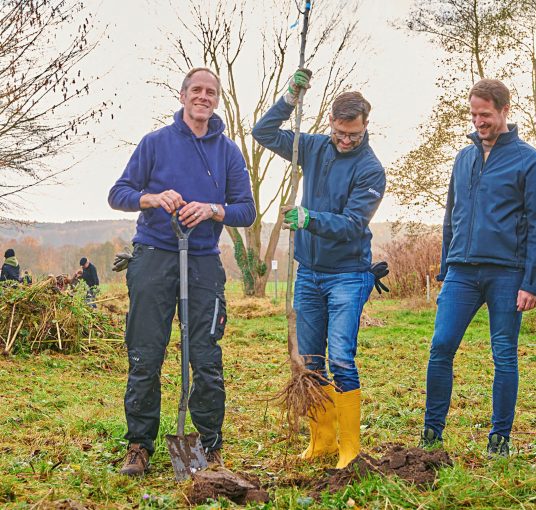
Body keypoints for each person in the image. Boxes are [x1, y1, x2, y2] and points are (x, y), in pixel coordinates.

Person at [108, 67, 255, 477]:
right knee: (144, 354)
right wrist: (152, 198)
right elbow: (118, 193)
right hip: (154, 256)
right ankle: (139, 445)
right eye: (196, 90)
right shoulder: (155, 143)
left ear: (217, 99)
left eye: (211, 92)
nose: (203, 97)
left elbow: (246, 209)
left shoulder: (228, 152)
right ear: (183, 95)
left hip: (204, 260)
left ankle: (210, 445)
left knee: (206, 356)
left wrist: (213, 209)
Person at [252, 70, 386, 469]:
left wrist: (309, 218)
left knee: (341, 356)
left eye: (354, 136)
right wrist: (290, 98)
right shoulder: (312, 147)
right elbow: (263, 131)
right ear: (330, 122)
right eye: (340, 133)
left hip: (348, 273)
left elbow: (351, 225)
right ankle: (322, 440)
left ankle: (349, 447)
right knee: (310, 358)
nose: (346, 142)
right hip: (308, 271)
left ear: (365, 127)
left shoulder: (371, 170)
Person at [420, 79, 536, 458]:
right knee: (441, 347)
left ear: (505, 111)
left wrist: (532, 283)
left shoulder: (529, 160)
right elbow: (450, 216)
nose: (479, 121)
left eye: (486, 114)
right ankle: (431, 432)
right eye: (474, 114)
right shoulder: (464, 158)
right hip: (460, 270)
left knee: (504, 352)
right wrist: (445, 268)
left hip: (507, 273)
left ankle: (500, 438)